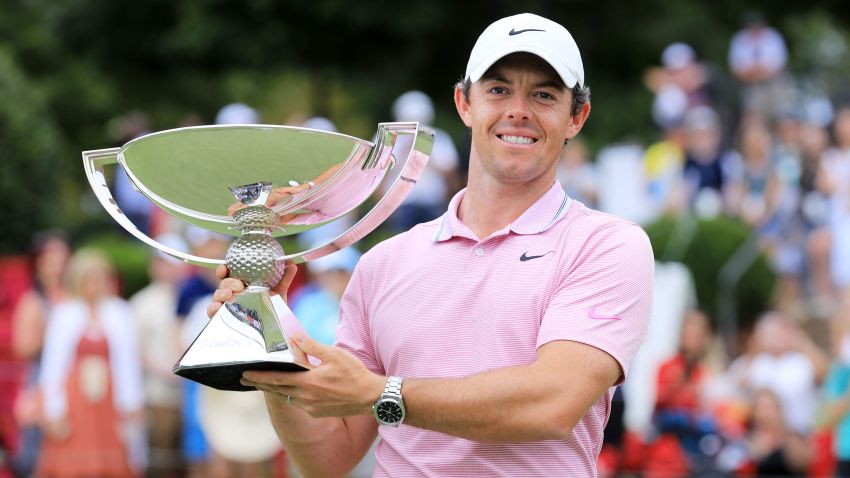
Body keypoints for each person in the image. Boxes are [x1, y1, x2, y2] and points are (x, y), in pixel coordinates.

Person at [208, 13, 654, 477]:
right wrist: (273, 339)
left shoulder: (607, 246)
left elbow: (553, 403)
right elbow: (329, 457)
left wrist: (382, 394)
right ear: (465, 103)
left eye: (543, 94)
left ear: (576, 116)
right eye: (498, 90)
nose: (518, 110)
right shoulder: (384, 262)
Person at [37, 249, 145, 478]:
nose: (93, 285)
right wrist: (53, 409)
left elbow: (128, 364)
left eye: (98, 278)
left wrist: (133, 403)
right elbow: (53, 365)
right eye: (87, 278)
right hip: (75, 403)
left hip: (110, 403)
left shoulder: (120, 312)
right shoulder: (64, 313)